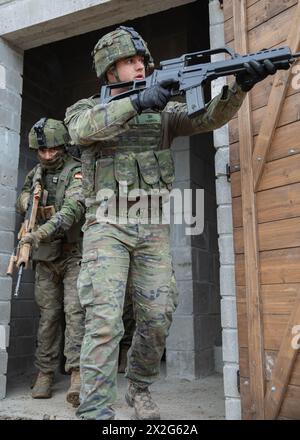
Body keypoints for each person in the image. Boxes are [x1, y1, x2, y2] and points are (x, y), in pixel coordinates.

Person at [64, 26, 287, 420]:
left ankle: (139, 388)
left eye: (140, 61)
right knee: (103, 318)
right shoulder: (85, 109)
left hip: (151, 226)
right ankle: (95, 410)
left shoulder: (163, 114)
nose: (139, 66)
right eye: (129, 61)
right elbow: (82, 131)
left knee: (158, 314)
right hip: (106, 224)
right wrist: (138, 102)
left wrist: (240, 87)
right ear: (108, 70)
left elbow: (204, 118)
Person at [16, 118, 85, 408]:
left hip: (72, 254)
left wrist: (38, 233)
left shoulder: (76, 171)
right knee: (48, 318)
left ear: (63, 145)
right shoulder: (36, 174)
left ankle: (78, 374)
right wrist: (28, 203)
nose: (47, 156)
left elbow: (72, 210)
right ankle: (44, 372)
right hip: (45, 258)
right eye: (41, 151)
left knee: (76, 313)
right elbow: (21, 197)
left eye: (52, 150)